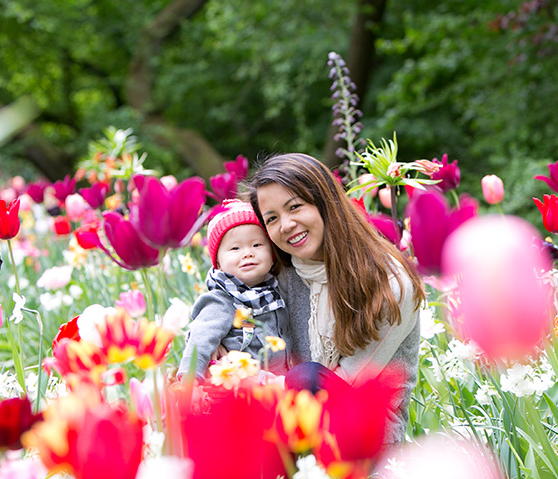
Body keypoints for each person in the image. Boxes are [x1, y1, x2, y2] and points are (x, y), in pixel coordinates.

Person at [247, 153, 425, 444]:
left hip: (364, 439)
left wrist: (262, 390)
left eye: (295, 207)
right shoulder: (286, 275)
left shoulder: (388, 283)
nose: (286, 225)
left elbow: (342, 384)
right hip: (293, 422)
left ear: (325, 202)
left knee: (306, 379)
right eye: (272, 219)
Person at [177, 199, 289, 381]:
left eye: (257, 245)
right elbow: (200, 339)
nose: (247, 253)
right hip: (243, 391)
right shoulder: (222, 300)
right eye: (235, 248)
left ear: (272, 254)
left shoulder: (276, 292)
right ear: (218, 263)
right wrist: (190, 381)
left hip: (284, 389)